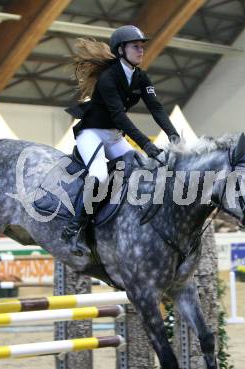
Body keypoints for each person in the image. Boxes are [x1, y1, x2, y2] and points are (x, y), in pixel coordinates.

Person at [61, 25, 180, 255]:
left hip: (114, 136)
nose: (141, 50)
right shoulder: (108, 78)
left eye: (141, 46)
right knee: (99, 176)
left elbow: (156, 108)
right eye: (135, 46)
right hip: (92, 133)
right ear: (121, 49)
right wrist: (146, 144)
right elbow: (118, 115)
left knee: (142, 171)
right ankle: (73, 229)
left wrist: (173, 135)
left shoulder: (141, 77)